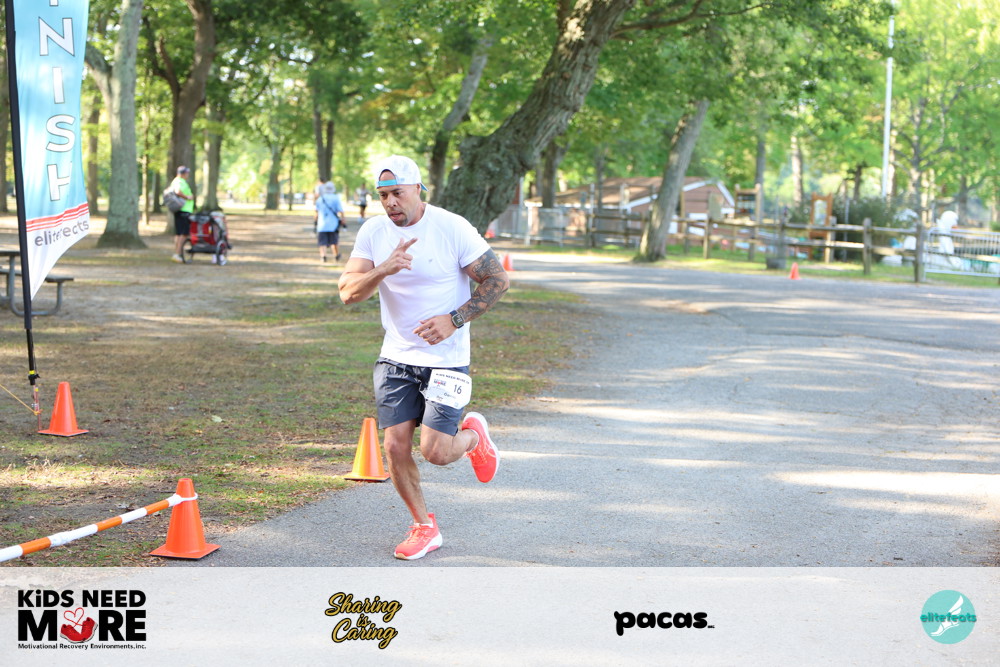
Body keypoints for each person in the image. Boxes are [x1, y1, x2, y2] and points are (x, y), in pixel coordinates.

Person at [338, 155, 509, 560]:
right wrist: (383, 269)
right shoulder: (374, 231)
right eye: (383, 195)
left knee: (437, 452)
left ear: (418, 189)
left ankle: (473, 437)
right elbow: (347, 292)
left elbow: (497, 279)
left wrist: (455, 319)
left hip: (446, 359)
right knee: (395, 446)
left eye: (397, 193)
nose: (390, 202)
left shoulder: (451, 227)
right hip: (396, 356)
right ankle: (423, 526)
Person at [314, 181, 345, 263]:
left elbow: (316, 211)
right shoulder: (335, 198)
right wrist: (343, 219)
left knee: (322, 242)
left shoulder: (320, 199)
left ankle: (323, 256)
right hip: (333, 224)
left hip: (322, 224)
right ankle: (336, 255)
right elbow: (341, 210)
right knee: (334, 241)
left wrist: (315, 221)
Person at [170, 166, 195, 263]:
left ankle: (177, 253)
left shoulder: (178, 181)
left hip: (182, 210)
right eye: (187, 173)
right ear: (183, 173)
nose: (188, 175)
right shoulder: (179, 181)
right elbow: (177, 191)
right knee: (183, 234)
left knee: (179, 233)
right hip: (183, 210)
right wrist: (187, 197)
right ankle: (178, 253)